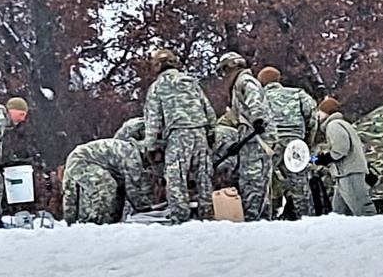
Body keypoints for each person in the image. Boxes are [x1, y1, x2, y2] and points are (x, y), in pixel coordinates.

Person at [142, 49, 216, 223]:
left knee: (175, 177)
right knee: (204, 176)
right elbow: (208, 110)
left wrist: (150, 146)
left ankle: (180, 217)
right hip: (200, 132)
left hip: (178, 134)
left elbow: (153, 119)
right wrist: (211, 132)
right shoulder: (191, 82)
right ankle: (207, 213)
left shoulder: (157, 87)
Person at [215, 51, 278, 221]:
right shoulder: (239, 84)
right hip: (251, 138)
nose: (223, 76)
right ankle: (262, 219)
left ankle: (253, 220)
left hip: (256, 140)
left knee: (252, 180)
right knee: (257, 181)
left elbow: (254, 99)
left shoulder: (244, 81)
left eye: (223, 71)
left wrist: (257, 118)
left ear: (230, 67)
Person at [258, 66, 318, 218]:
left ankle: (265, 219)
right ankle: (306, 219)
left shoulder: (259, 97)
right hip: (295, 143)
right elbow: (312, 117)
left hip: (269, 144)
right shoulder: (297, 94)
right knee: (299, 185)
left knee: (264, 183)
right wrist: (307, 141)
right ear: (279, 79)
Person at [62, 138, 154, 224]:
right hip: (80, 160)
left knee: (117, 190)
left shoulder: (131, 153)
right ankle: (95, 222)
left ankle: (109, 223)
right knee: (106, 186)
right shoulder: (132, 156)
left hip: (86, 160)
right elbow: (133, 189)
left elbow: (125, 188)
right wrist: (145, 208)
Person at [314, 96, 377, 217]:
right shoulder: (344, 124)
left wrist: (326, 158)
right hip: (344, 174)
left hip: (349, 173)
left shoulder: (334, 125)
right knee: (340, 212)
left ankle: (376, 231)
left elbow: (341, 149)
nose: (318, 114)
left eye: (320, 111)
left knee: (362, 208)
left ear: (327, 112)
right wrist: (316, 159)